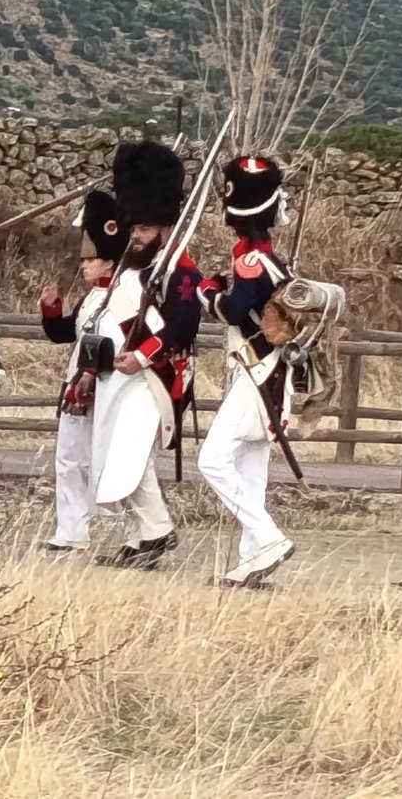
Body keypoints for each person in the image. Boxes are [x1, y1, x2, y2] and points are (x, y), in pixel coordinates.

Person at [87, 142, 202, 570]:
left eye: (144, 228)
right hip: (128, 373)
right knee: (120, 454)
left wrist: (142, 355)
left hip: (159, 376)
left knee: (129, 454)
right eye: (134, 227)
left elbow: (182, 327)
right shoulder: (134, 268)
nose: (135, 235)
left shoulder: (182, 271)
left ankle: (156, 531)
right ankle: (139, 539)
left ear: (166, 229)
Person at [197, 156, 297, 587]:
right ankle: (252, 559)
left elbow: (235, 312)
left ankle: (269, 538)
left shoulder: (252, 261)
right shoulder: (266, 259)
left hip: (258, 368)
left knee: (212, 460)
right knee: (251, 471)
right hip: (267, 370)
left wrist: (208, 292)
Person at [38, 189, 128, 551]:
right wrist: (51, 309)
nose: (85, 265)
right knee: (69, 459)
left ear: (108, 262)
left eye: (91, 259)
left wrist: (91, 374)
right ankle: (71, 531)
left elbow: (119, 343)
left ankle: (122, 526)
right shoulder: (90, 297)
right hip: (80, 387)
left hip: (106, 386)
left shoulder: (123, 296)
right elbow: (66, 334)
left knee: (107, 458)